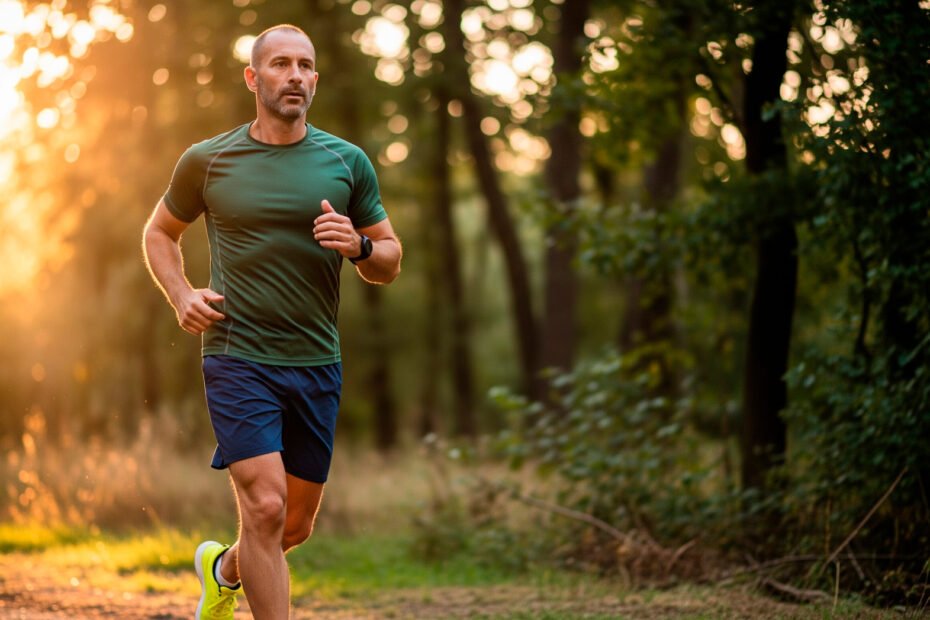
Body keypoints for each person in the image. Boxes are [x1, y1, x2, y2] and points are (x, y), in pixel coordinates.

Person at [142, 24, 402, 619]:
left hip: (316, 360)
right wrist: (181, 294)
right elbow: (160, 232)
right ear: (253, 78)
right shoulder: (208, 159)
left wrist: (360, 246)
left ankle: (223, 570)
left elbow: (389, 261)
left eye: (305, 65)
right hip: (237, 355)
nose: (295, 76)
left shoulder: (346, 161)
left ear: (316, 79)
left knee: (293, 525)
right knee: (263, 507)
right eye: (281, 64)